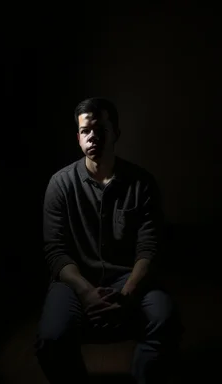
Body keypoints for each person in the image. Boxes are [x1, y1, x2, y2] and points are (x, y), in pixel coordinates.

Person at [34, 97, 183, 383]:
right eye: (86, 130)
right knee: (51, 338)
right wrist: (86, 292)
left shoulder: (142, 183)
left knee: (166, 321)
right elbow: (56, 251)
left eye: (101, 129)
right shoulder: (60, 184)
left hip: (128, 278)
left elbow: (149, 248)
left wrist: (128, 292)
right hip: (74, 280)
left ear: (116, 132)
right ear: (78, 137)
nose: (94, 136)